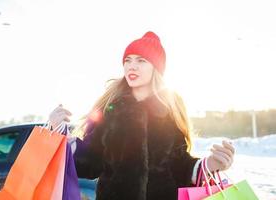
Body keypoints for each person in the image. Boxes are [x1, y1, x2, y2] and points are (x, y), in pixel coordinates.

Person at [49, 31, 235, 200]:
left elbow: (180, 166)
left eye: (141, 61)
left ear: (156, 68)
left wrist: (211, 164)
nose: (132, 66)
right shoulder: (112, 110)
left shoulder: (169, 112)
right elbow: (89, 162)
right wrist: (58, 134)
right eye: (128, 60)